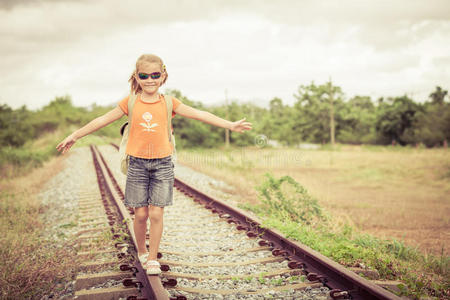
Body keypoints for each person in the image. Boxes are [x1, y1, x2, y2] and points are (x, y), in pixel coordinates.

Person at [56, 54, 252, 275]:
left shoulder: (169, 103)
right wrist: (76, 135)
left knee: (157, 214)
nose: (150, 80)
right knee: (140, 215)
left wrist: (230, 125)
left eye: (155, 75)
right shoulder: (130, 102)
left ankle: (152, 259)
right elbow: (101, 120)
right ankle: (141, 250)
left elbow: (199, 114)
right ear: (136, 77)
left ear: (163, 76)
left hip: (163, 164)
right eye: (144, 75)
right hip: (137, 165)